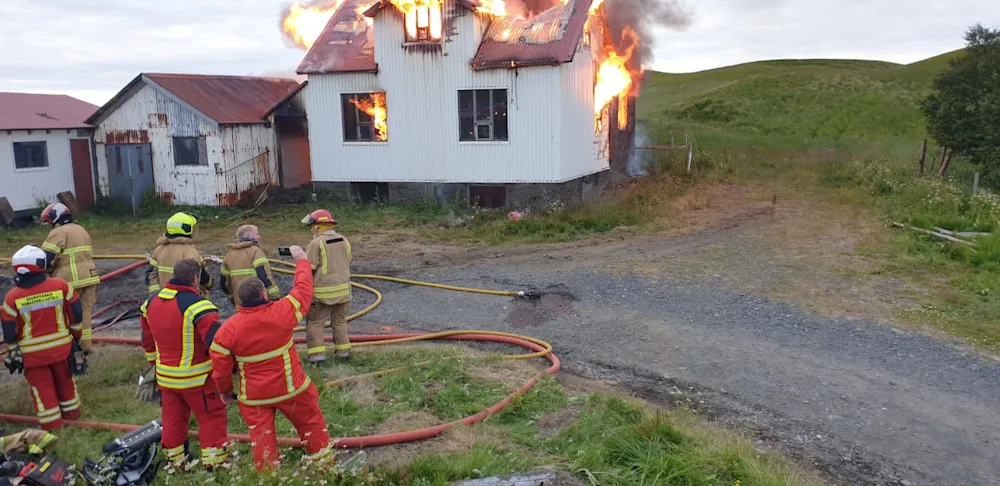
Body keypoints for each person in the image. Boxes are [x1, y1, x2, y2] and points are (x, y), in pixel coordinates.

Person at [209, 246, 334, 472]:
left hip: (254, 396)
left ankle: (269, 475)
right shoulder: (282, 312)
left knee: (262, 439)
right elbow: (303, 290)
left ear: (240, 300)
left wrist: (225, 391)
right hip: (291, 388)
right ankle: (325, 467)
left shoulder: (228, 329)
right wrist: (302, 261)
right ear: (264, 294)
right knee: (311, 424)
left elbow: (220, 366)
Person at [139, 259, 228, 469]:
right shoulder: (199, 307)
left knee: (172, 420)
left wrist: (155, 365)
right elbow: (217, 345)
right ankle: (215, 464)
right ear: (196, 278)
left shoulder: (150, 303)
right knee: (211, 418)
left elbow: (147, 342)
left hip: (166, 378)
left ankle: (176, 462)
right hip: (198, 379)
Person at [1, 245, 85, 430]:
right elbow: (76, 314)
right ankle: (73, 416)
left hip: (33, 356)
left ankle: (52, 425)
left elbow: (9, 330)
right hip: (61, 349)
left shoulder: (12, 297)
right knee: (65, 382)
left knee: (43, 389)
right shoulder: (61, 286)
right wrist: (77, 339)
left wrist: (13, 351)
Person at [39, 203, 100, 353]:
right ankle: (85, 346)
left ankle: (68, 347)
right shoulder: (81, 229)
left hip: (70, 280)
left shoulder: (58, 233)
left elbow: (46, 258)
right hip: (90, 277)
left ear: (55, 219)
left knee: (65, 314)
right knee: (85, 312)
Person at [301, 209, 352, 364]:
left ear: (318, 226)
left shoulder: (316, 243)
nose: (311, 229)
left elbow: (308, 269)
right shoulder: (343, 239)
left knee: (315, 323)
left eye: (312, 226)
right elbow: (347, 260)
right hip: (343, 291)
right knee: (340, 321)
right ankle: (343, 354)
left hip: (321, 293)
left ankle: (317, 358)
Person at [147, 212, 212, 296]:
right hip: (187, 300)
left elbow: (151, 275)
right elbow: (203, 279)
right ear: (187, 229)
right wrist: (210, 284)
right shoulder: (191, 252)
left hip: (164, 298)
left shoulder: (159, 250)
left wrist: (157, 295)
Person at [220, 225, 279, 306]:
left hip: (240, 306)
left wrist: (232, 297)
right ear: (249, 235)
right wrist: (274, 296)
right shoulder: (255, 252)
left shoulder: (229, 255)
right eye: (256, 234)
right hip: (259, 304)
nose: (259, 237)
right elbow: (264, 275)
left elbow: (224, 283)